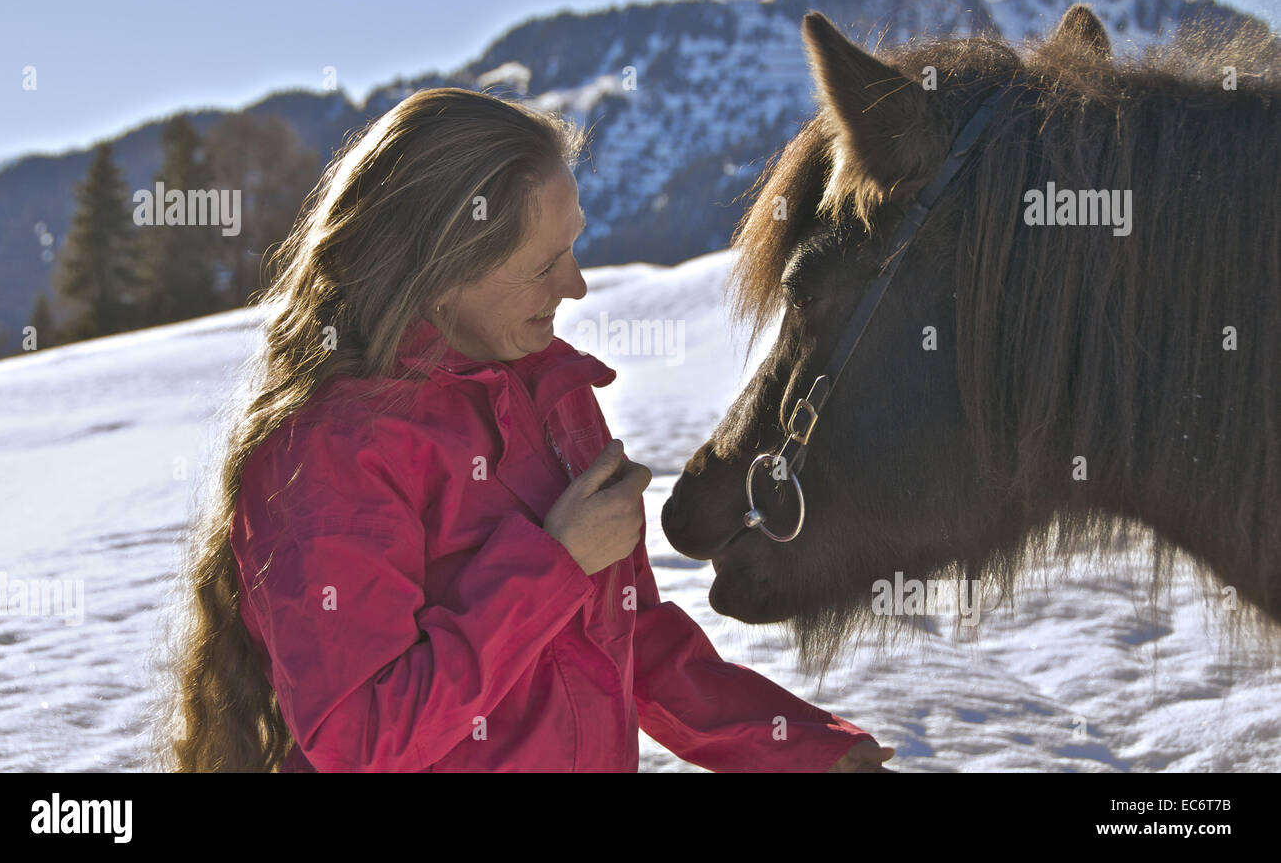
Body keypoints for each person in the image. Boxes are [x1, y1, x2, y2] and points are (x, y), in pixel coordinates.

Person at [157, 87, 894, 772]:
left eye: (574, 246)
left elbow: (633, 641)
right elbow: (364, 737)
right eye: (545, 263)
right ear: (440, 273)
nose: (575, 284)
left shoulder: (557, 400)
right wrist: (553, 563)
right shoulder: (330, 456)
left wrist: (813, 754)